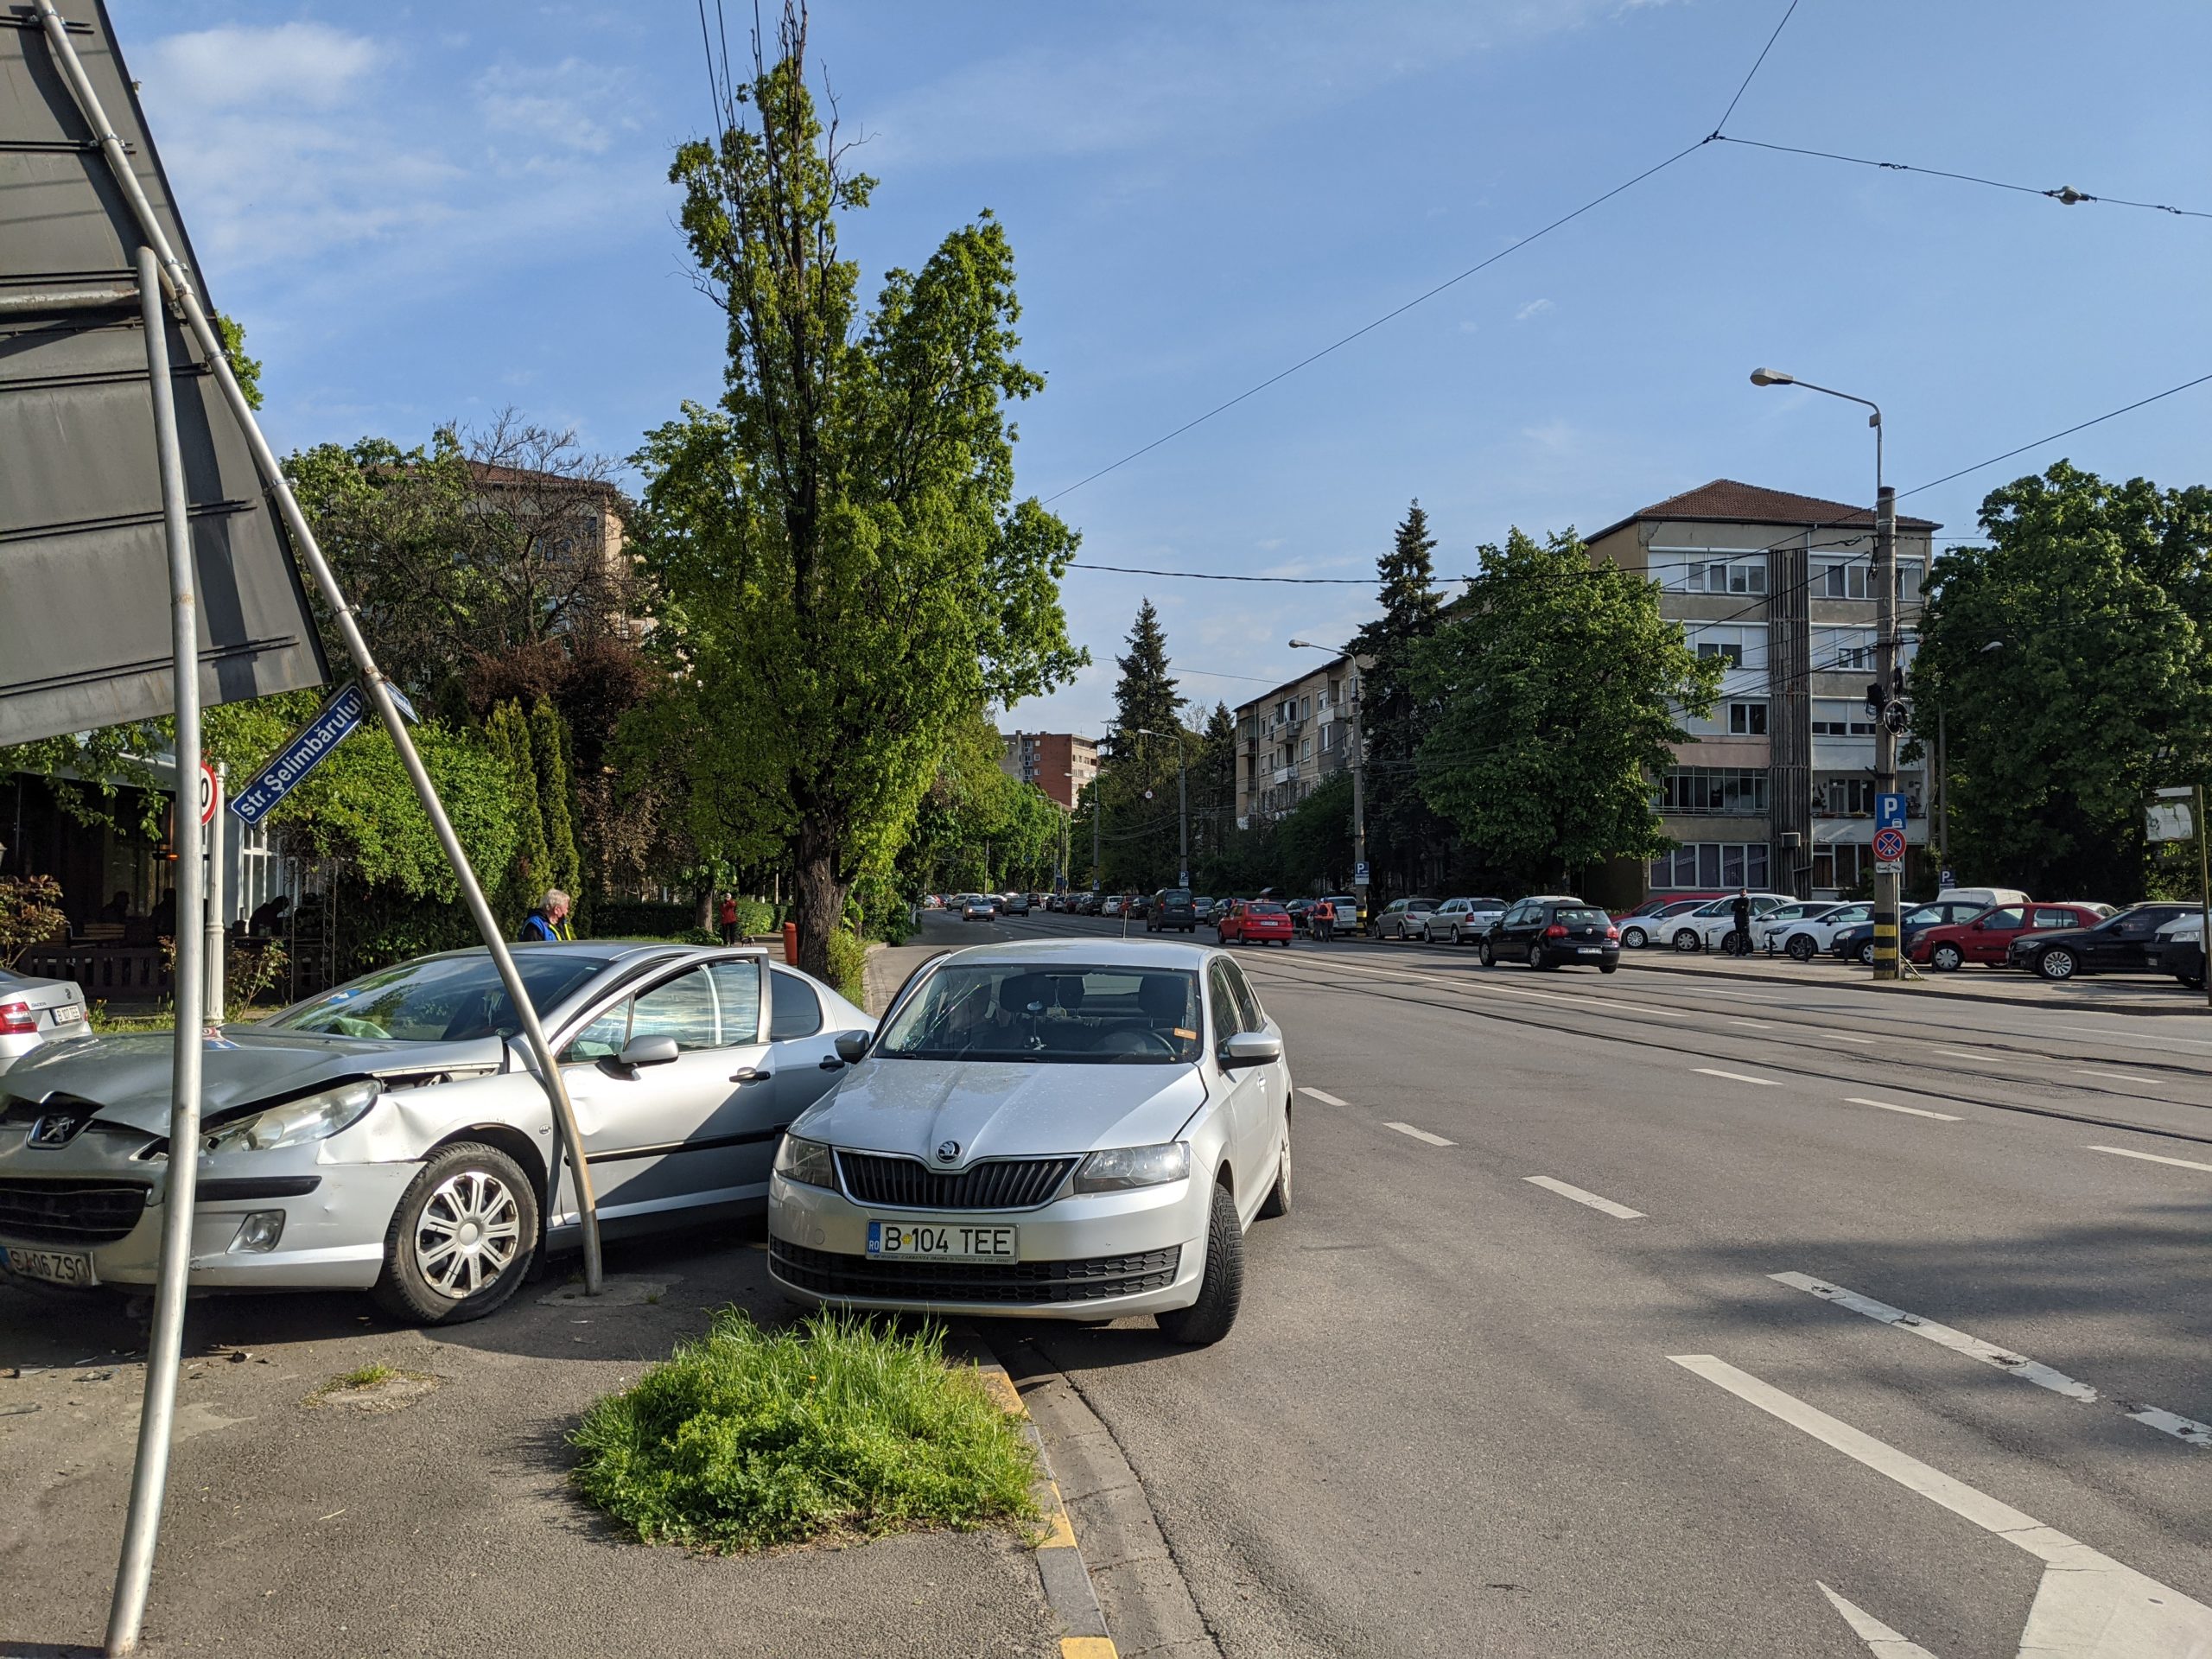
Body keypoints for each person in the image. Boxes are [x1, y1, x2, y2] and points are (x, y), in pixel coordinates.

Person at [1728, 887, 1752, 957]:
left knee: (1746, 936)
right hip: (1737, 920)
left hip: (1745, 921)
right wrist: (1740, 907)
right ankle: (1739, 952)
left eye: (1744, 892)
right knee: (1739, 937)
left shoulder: (1747, 900)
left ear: (1746, 892)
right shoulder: (1736, 900)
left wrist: (1739, 908)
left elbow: (1746, 910)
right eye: (1741, 892)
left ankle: (1749, 951)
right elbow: (1732, 908)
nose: (1742, 893)